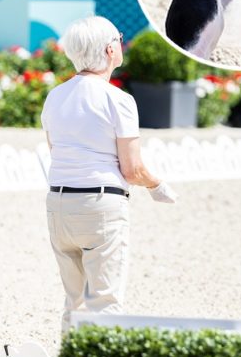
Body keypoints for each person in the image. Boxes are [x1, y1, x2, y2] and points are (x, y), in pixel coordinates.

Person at [42, 16, 178, 333]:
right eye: (119, 38)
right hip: (100, 206)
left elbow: (56, 152)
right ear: (109, 50)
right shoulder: (118, 100)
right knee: (104, 302)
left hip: (59, 203)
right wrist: (157, 185)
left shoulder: (54, 97)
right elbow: (132, 169)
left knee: (74, 301)